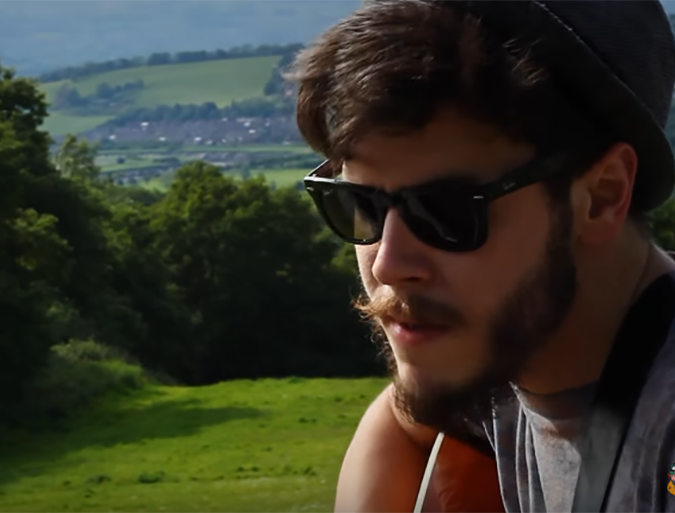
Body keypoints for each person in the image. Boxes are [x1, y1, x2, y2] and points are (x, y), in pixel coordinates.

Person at [288, 0, 675, 512]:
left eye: (446, 212)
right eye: (359, 204)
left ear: (602, 196)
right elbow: (404, 417)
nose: (387, 264)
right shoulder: (501, 355)